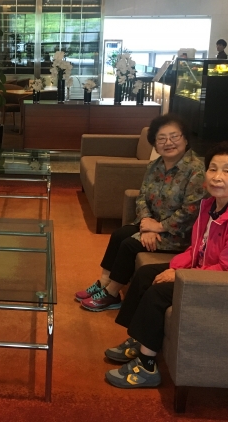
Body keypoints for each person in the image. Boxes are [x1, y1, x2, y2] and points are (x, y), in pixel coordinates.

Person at [104, 141, 228, 389]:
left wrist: (181, 275)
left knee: (158, 293)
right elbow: (196, 247)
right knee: (145, 274)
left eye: (227, 171)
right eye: (213, 169)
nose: (217, 177)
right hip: (205, 271)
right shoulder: (212, 204)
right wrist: (175, 267)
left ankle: (147, 366)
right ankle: (139, 340)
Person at [76, 114, 206, 312]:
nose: (168, 142)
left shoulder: (196, 170)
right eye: (161, 138)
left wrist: (159, 227)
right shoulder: (155, 165)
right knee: (120, 234)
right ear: (155, 144)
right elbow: (142, 196)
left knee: (130, 244)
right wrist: (146, 222)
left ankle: (112, 294)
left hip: (179, 233)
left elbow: (191, 210)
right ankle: (103, 282)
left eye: (174, 136)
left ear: (186, 139)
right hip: (153, 224)